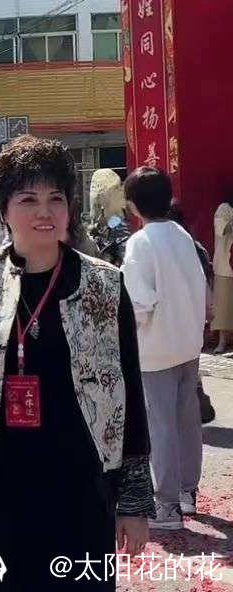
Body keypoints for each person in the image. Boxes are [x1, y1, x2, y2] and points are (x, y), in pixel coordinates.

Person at [0, 135, 152, 591]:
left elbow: (129, 389)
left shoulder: (104, 285)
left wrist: (132, 501)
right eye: (28, 200)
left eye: (56, 198)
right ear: (3, 210)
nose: (45, 212)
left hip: (81, 486)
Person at [121, 166, 206, 529]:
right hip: (188, 343)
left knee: (161, 427)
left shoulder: (140, 242)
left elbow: (138, 303)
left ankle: (167, 505)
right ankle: (187, 493)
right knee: (187, 422)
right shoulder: (182, 235)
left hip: (155, 349)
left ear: (133, 205)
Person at [168, 200, 216, 424]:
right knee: (191, 366)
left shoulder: (162, 247)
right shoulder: (197, 248)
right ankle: (196, 402)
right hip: (194, 319)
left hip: (171, 319)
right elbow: (207, 282)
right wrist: (207, 311)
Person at [211, 200, 233, 353]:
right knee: (223, 305)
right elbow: (224, 229)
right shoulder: (224, 208)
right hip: (225, 263)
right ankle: (222, 341)